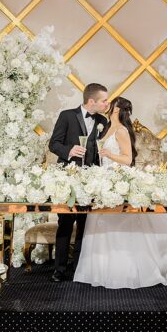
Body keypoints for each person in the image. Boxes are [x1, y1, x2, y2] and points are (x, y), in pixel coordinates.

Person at [72, 96, 167, 289]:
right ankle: (103, 269)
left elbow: (127, 159)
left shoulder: (122, 130)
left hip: (117, 180)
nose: (107, 105)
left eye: (110, 103)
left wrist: (109, 154)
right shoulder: (106, 128)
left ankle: (128, 270)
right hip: (103, 181)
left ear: (117, 109)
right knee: (100, 221)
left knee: (118, 223)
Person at [47, 82, 110, 281]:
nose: (107, 104)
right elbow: (53, 144)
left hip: (91, 180)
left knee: (86, 225)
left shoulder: (102, 121)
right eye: (104, 101)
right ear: (91, 101)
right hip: (68, 178)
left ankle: (79, 269)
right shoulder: (67, 116)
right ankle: (59, 270)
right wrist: (69, 150)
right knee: (65, 223)